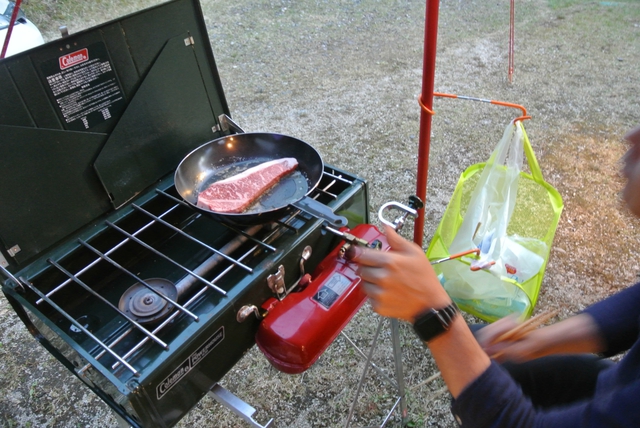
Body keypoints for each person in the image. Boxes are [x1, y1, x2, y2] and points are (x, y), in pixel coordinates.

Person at [349, 124, 640, 426]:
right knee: (484, 358)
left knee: (472, 367)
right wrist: (536, 341)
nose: (632, 135)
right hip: (620, 381)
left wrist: (434, 315)